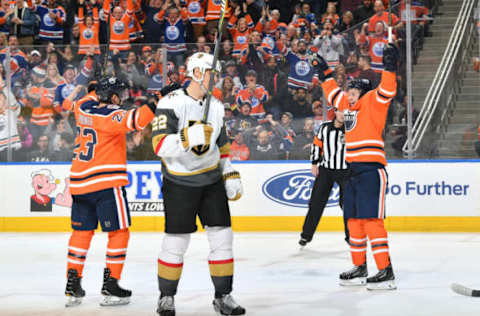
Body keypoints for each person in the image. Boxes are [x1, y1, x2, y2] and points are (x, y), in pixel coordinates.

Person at [151, 52, 245, 316]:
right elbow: (158, 145)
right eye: (210, 72)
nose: (215, 77)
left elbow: (222, 143)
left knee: (223, 238)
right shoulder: (170, 102)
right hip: (179, 182)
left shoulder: (216, 105)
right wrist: (186, 136)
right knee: (176, 242)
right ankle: (166, 297)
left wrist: (229, 170)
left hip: (211, 179)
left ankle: (223, 296)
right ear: (195, 73)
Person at [62, 77, 156, 307]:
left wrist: (96, 90)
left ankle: (72, 285)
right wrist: (158, 99)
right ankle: (111, 284)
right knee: (119, 232)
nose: (122, 99)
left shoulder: (82, 107)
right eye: (119, 94)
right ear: (111, 96)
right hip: (106, 182)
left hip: (79, 182)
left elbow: (75, 103)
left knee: (81, 234)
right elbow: (138, 119)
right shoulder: (110, 115)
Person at [312, 42, 399, 290]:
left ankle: (385, 271)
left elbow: (388, 89)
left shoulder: (373, 101)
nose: (347, 94)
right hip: (352, 172)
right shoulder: (348, 108)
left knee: (372, 220)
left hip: (371, 170)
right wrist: (324, 73)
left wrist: (390, 67)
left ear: (361, 91)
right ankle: (360, 267)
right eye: (347, 91)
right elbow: (332, 93)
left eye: (351, 90)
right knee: (353, 220)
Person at [299, 109, 350, 247]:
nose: (342, 115)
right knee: (316, 203)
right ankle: (306, 235)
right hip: (326, 169)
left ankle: (351, 237)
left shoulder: (352, 127)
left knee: (348, 204)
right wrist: (314, 163)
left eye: (346, 112)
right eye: (340, 111)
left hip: (346, 171)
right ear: (335, 112)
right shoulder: (324, 127)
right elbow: (317, 145)